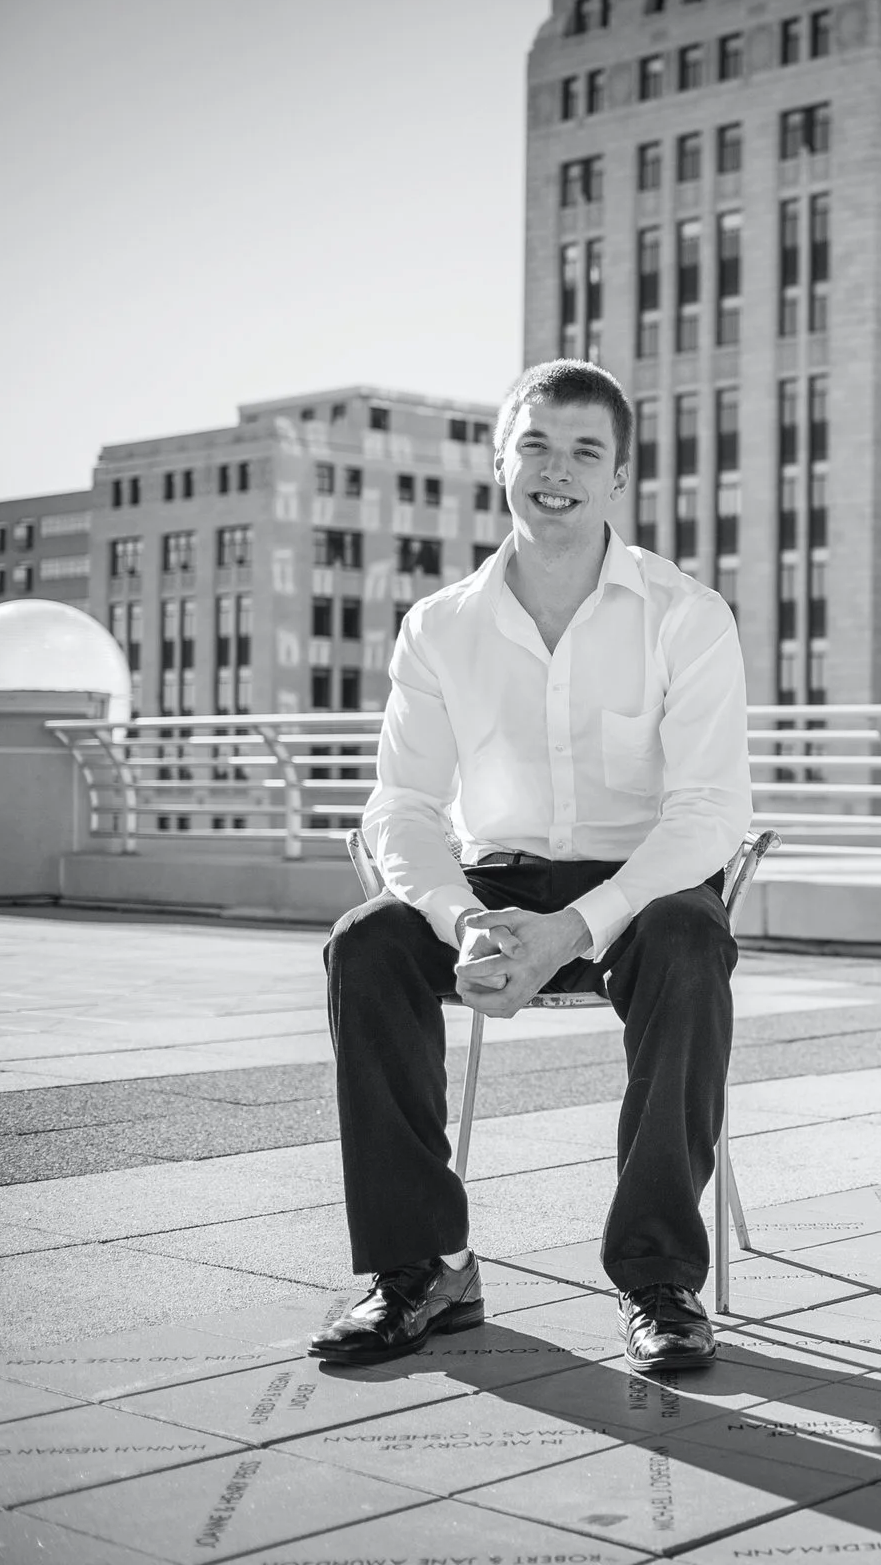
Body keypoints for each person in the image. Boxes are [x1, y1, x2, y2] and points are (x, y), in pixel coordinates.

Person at [312, 359, 751, 1371]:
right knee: (367, 945)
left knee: (690, 938)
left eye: (584, 451)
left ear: (619, 477)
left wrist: (576, 925)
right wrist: (457, 914)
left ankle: (657, 1277)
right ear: (500, 460)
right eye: (536, 445)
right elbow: (405, 803)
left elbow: (707, 809)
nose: (556, 470)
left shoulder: (684, 614)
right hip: (493, 880)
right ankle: (420, 1269)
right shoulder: (442, 626)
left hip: (638, 885)